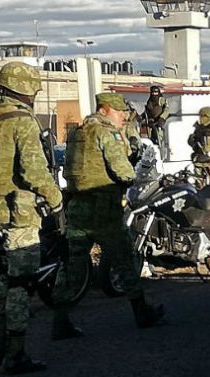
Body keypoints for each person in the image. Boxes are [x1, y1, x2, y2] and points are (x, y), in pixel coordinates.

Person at [0, 62, 63, 374]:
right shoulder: (22, 120)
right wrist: (57, 200)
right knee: (19, 284)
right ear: (28, 89)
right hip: (18, 213)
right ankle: (15, 353)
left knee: (3, 280)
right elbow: (33, 170)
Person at [52, 92, 164, 339]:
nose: (123, 116)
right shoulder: (107, 133)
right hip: (103, 210)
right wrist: (131, 168)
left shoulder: (78, 132)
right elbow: (124, 173)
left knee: (74, 265)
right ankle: (141, 311)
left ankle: (60, 320)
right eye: (119, 111)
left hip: (77, 207)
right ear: (104, 110)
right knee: (125, 258)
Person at [143, 86, 169, 157]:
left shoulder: (162, 100)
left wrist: (162, 118)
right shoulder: (149, 101)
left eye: (156, 92)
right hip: (151, 122)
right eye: (153, 92)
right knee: (151, 140)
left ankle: (162, 154)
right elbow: (147, 112)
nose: (154, 94)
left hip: (160, 121)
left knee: (160, 138)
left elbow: (166, 109)